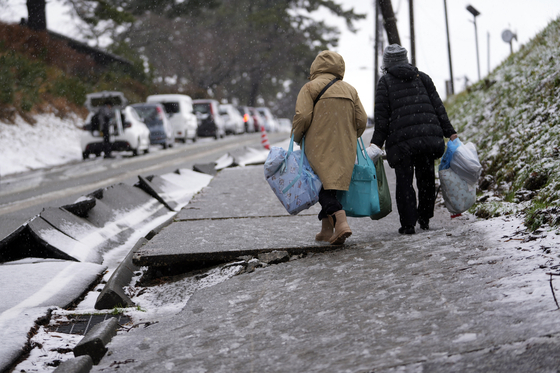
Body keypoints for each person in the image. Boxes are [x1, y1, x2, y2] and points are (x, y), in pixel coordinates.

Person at [370, 44, 458, 235]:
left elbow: (382, 118)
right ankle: (425, 218)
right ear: (405, 59)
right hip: (426, 137)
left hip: (402, 143)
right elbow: (438, 107)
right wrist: (449, 131)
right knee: (426, 178)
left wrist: (376, 143)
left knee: (404, 181)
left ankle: (408, 224)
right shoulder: (422, 78)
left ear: (386, 63)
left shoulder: (385, 82)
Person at [292, 50, 368, 244]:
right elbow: (362, 120)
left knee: (319, 186)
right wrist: (349, 136)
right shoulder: (350, 90)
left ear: (316, 67)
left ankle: (340, 220)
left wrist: (297, 136)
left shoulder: (309, 88)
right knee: (330, 185)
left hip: (318, 146)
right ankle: (327, 229)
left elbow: (303, 117)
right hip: (344, 147)